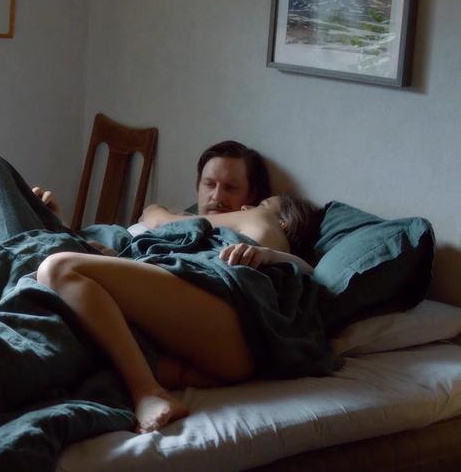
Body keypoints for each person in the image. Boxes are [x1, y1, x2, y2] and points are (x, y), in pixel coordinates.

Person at [35, 192, 319, 434]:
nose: (247, 207)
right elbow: (309, 270)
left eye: (264, 203)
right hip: (235, 356)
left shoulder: (262, 222)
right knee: (96, 325)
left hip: (223, 313)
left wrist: (154, 209)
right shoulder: (279, 258)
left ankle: (147, 391)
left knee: (58, 268)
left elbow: (163, 221)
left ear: (284, 220)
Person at [33, 140, 272, 228]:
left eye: (230, 188)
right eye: (209, 184)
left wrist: (158, 216)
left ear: (252, 195)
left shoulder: (239, 242)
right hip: (77, 244)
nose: (216, 197)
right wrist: (57, 224)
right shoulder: (174, 215)